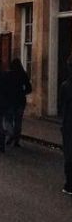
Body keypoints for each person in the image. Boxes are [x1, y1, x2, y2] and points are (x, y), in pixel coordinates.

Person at [3, 58, 32, 147]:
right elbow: (29, 89)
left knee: (8, 119)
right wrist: (23, 92)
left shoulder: (8, 74)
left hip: (10, 100)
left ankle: (11, 134)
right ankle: (17, 140)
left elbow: (4, 88)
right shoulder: (23, 74)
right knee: (18, 121)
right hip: (20, 100)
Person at [60, 55, 72, 195]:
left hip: (69, 123)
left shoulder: (65, 85)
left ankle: (69, 184)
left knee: (69, 155)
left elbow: (62, 105)